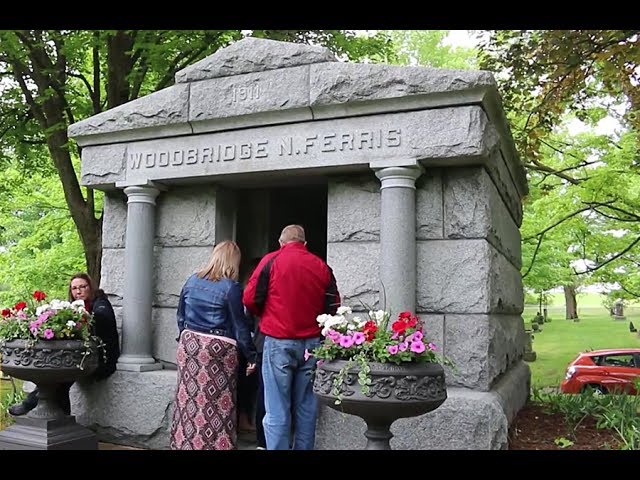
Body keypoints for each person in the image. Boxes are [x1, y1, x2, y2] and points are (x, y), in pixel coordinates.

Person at [243, 225, 340, 450]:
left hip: (278, 340)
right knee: (306, 407)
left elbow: (249, 299)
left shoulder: (270, 260)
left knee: (276, 408)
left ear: (281, 242)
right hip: (312, 344)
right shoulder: (321, 266)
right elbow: (333, 305)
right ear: (305, 244)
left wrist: (267, 315)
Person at [170, 240, 257, 450]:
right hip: (217, 349)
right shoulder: (231, 287)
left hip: (190, 344)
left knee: (188, 400)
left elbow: (180, 316)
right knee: (218, 402)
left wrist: (186, 338)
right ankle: (217, 445)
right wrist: (252, 356)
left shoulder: (192, 280)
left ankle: (185, 443)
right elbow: (240, 327)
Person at [8, 272, 120, 416]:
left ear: (90, 287)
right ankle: (60, 419)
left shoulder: (100, 303)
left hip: (102, 360)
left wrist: (83, 317)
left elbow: (102, 320)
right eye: (74, 288)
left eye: (83, 287)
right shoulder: (72, 307)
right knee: (59, 372)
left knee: (61, 373)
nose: (78, 291)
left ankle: (31, 404)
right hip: (81, 355)